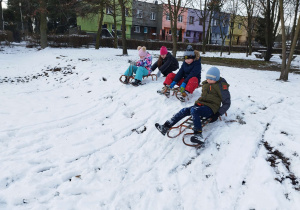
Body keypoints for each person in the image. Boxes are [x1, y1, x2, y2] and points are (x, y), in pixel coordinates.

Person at [155, 67, 231, 145]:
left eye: (211, 79)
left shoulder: (221, 87)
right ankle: (166, 126)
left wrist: (218, 114)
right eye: (207, 78)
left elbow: (227, 103)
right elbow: (204, 97)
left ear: (216, 78)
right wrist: (198, 103)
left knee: (194, 110)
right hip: (201, 105)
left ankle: (198, 135)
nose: (208, 80)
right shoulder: (206, 84)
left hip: (211, 108)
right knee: (184, 110)